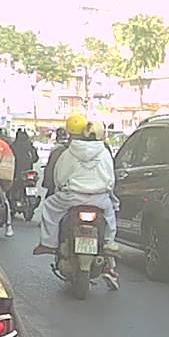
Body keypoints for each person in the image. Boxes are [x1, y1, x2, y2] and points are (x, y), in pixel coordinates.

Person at [32, 114, 121, 288]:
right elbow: (111, 179)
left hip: (72, 197)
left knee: (49, 206)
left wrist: (61, 189)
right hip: (99, 198)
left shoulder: (68, 152)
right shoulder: (104, 152)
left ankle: (48, 243)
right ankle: (109, 242)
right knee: (110, 214)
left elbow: (59, 177)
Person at [9, 128, 36, 210]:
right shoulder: (30, 146)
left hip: (17, 173)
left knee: (11, 187)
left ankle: (13, 202)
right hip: (28, 172)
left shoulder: (12, 147)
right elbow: (36, 158)